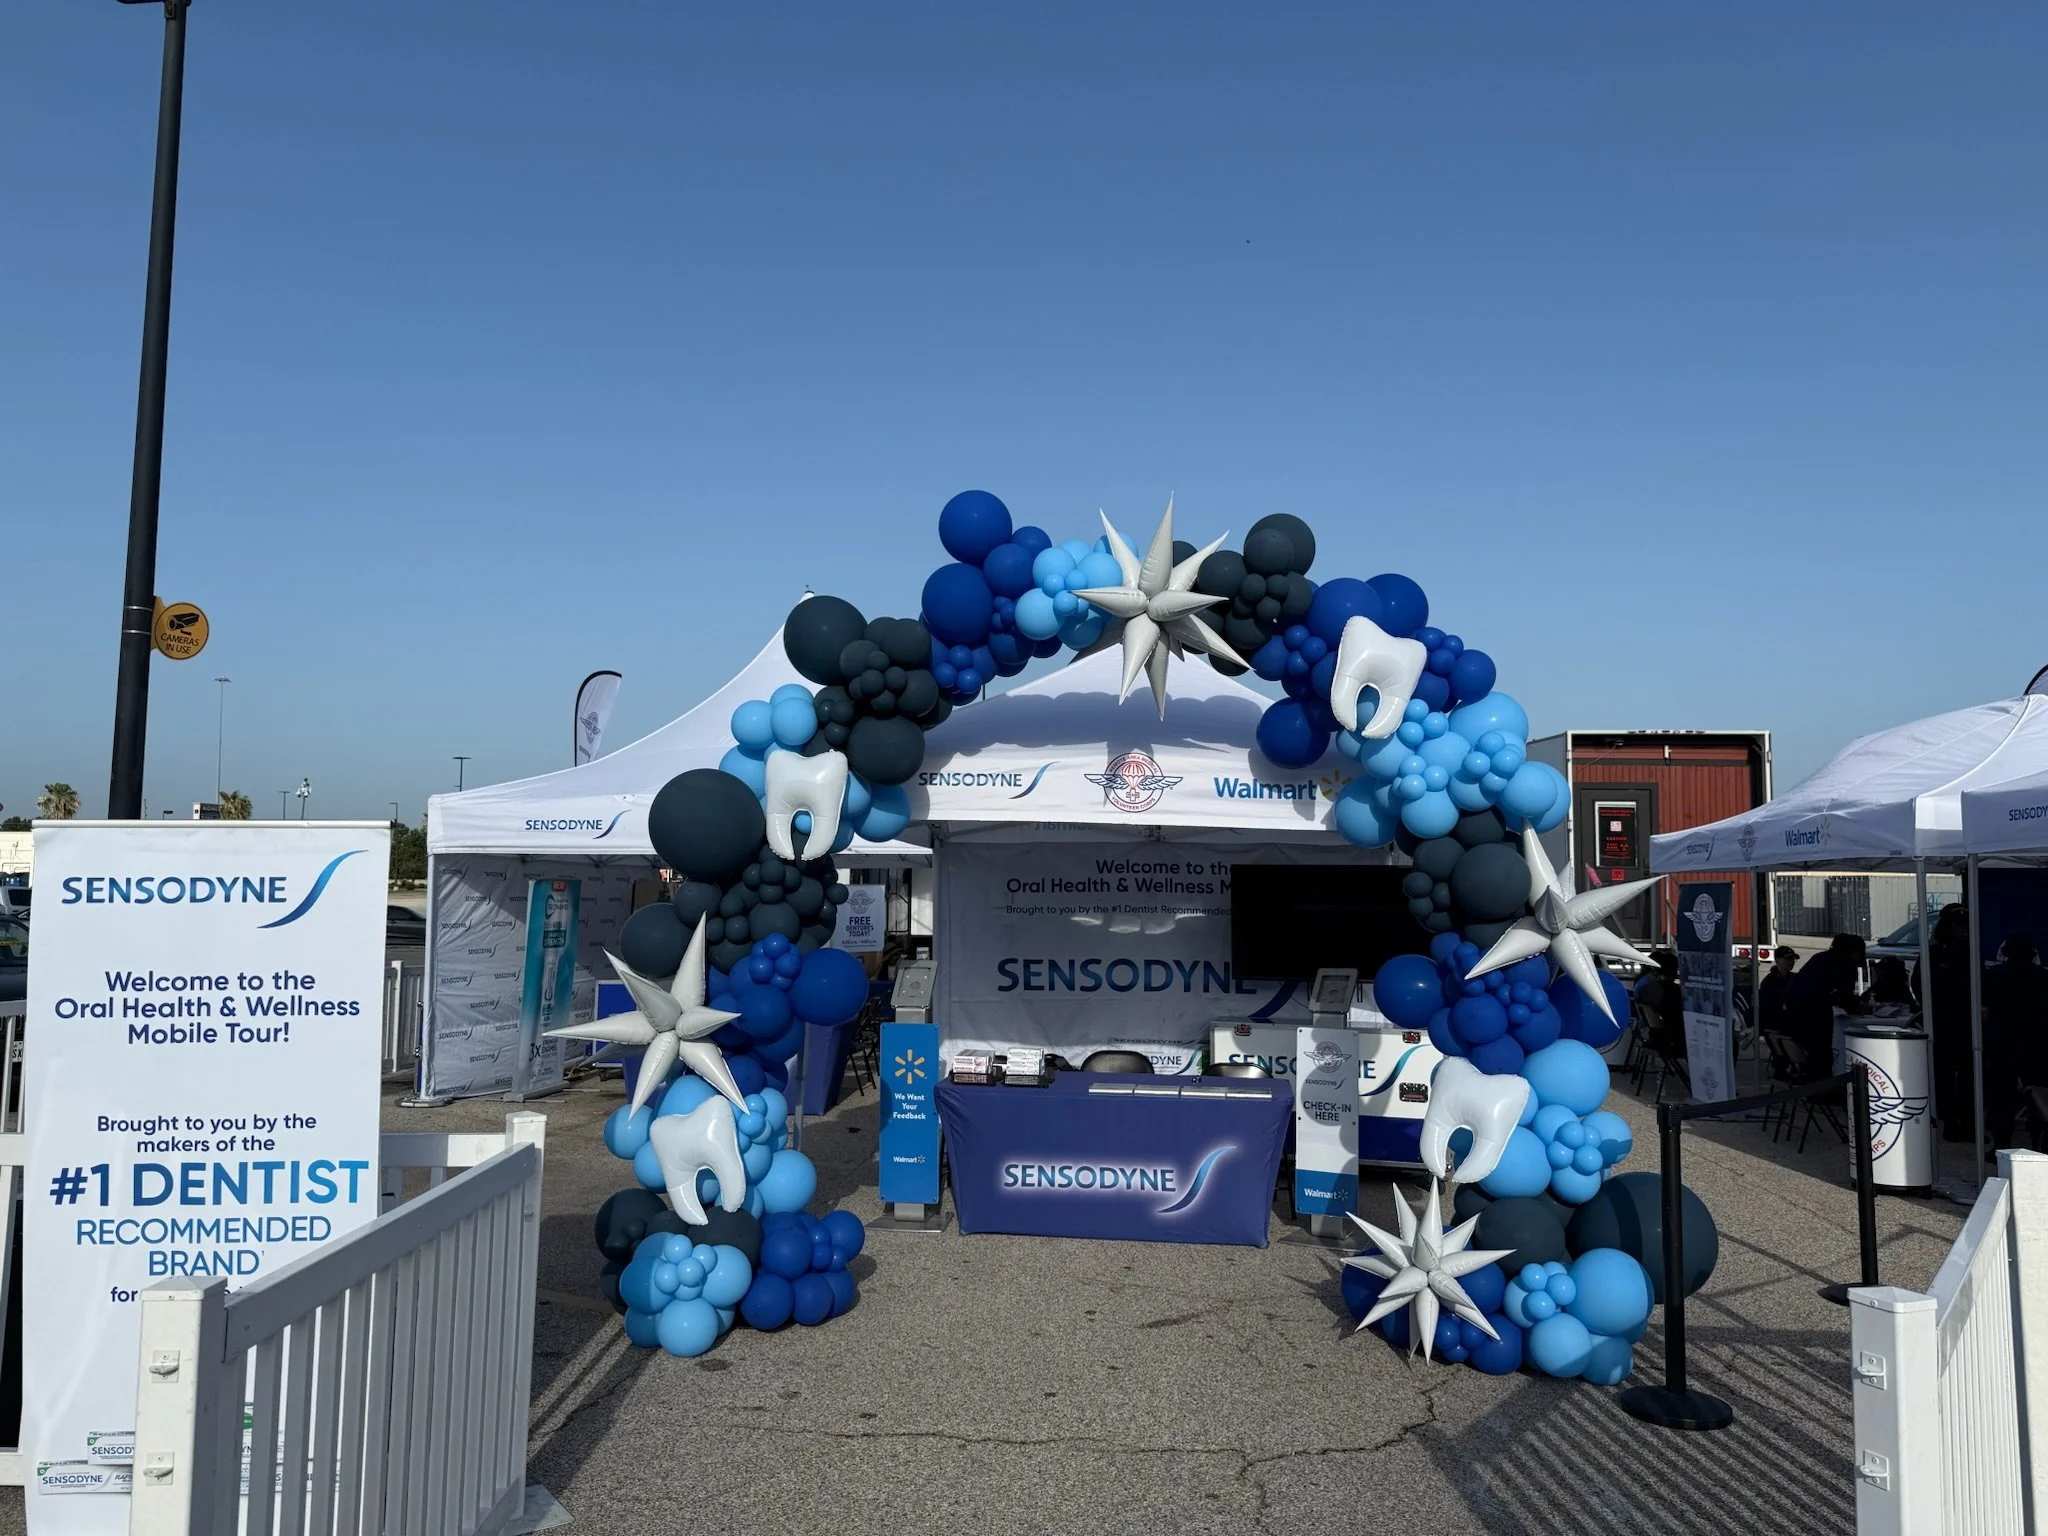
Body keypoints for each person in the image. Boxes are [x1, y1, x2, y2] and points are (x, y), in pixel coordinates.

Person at [1982, 934, 2048, 1151]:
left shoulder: (1993, 976)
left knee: (2001, 1097)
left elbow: (1984, 1009)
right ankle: (2038, 1144)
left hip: (2002, 1043)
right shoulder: (2043, 977)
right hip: (2037, 1043)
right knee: (2037, 1097)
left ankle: (2001, 1145)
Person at [1915, 905, 1975, 1141]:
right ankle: (1950, 1121)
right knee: (1945, 1076)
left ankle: (1969, 1123)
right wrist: (1930, 1010)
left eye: (1965, 925)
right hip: (1943, 1023)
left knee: (1971, 1076)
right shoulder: (1934, 953)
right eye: (1957, 926)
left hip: (1970, 1025)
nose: (1962, 930)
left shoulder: (1972, 952)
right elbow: (1918, 984)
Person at [1782, 933, 1867, 1082]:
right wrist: (1859, 1010)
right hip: (1813, 1010)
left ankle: (1814, 1085)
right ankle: (1822, 1088)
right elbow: (1845, 995)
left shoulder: (1821, 957)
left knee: (1814, 1050)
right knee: (1821, 1050)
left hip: (1794, 1009)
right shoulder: (1845, 963)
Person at [1758, 945, 1798, 1040]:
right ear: (1777, 960)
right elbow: (1767, 1007)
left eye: (1793, 959)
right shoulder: (1769, 981)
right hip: (1775, 1026)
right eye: (1787, 959)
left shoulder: (1795, 978)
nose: (1791, 962)